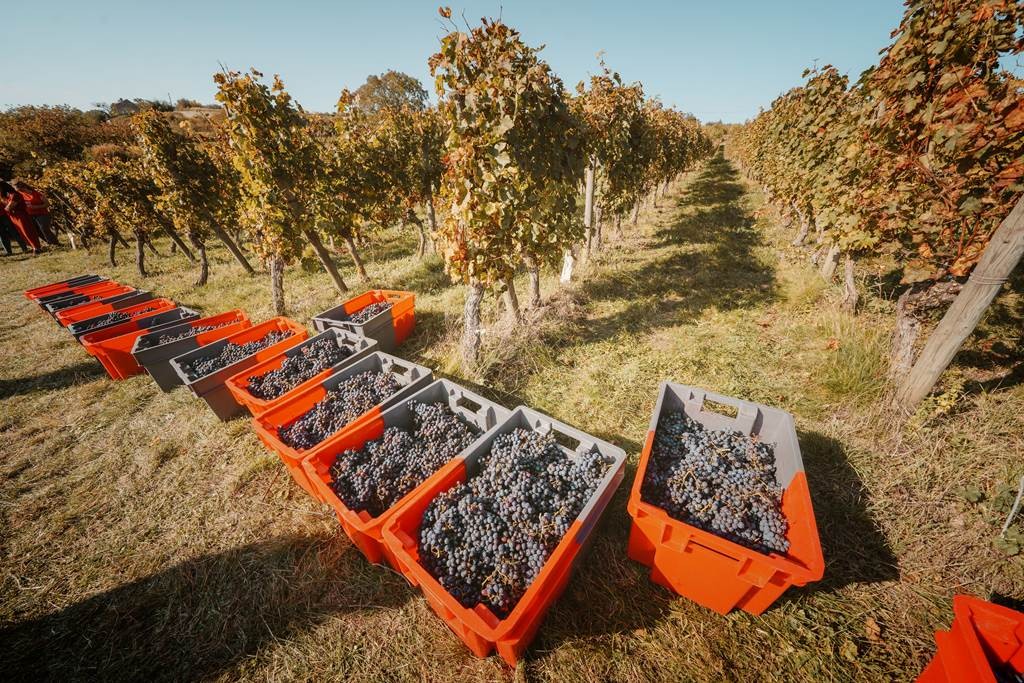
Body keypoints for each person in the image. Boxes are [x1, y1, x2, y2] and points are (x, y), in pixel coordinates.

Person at [0, 181, 42, 253]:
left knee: (28, 231)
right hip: (14, 217)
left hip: (21, 216)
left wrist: (5, 206)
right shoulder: (8, 196)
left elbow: (9, 207)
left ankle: (36, 248)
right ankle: (34, 247)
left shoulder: (15, 195)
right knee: (22, 233)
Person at [14, 180, 60, 246]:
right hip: (30, 215)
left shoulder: (37, 194)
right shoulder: (20, 195)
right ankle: (49, 242)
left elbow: (47, 204)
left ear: (23, 187)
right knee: (37, 231)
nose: (18, 192)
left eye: (19, 190)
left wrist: (35, 207)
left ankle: (55, 243)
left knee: (43, 228)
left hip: (42, 213)